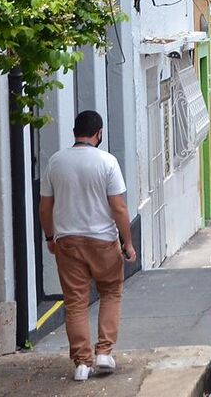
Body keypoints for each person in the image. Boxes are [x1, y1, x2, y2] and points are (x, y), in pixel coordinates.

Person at [39, 110, 136, 382]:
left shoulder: (56, 163)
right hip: (103, 240)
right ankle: (104, 353)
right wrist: (127, 242)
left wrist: (50, 237)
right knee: (110, 292)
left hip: (67, 240)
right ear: (99, 133)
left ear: (74, 133)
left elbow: (45, 208)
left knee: (75, 302)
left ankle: (82, 363)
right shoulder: (107, 162)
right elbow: (118, 207)